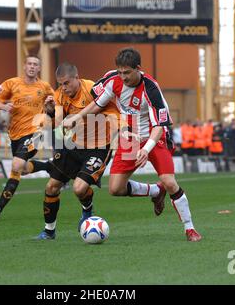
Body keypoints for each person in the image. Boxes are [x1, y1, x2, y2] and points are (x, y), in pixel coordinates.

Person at [64, 47, 201, 242]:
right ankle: (155, 191)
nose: (123, 77)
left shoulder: (151, 89)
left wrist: (146, 149)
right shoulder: (114, 81)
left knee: (170, 182)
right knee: (116, 189)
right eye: (120, 72)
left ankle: (190, 228)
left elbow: (159, 126)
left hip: (155, 138)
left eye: (127, 73)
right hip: (130, 138)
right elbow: (98, 104)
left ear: (138, 68)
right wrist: (76, 118)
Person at [36, 62, 146, 239]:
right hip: (73, 144)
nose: (63, 88)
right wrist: (49, 112)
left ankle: (87, 210)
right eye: (60, 84)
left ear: (76, 78)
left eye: (66, 83)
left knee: (79, 189)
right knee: (51, 186)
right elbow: (57, 123)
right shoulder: (58, 96)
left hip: (99, 147)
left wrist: (123, 131)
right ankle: (49, 231)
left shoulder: (93, 89)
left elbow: (114, 109)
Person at [0, 55, 55, 219]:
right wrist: (4, 106)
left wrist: (51, 106)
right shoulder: (12, 83)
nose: (32, 67)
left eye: (35, 64)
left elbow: (56, 106)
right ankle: (48, 167)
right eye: (29, 64)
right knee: (21, 170)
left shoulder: (45, 87)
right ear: (24, 66)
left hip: (36, 132)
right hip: (15, 134)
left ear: (39, 68)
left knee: (16, 165)